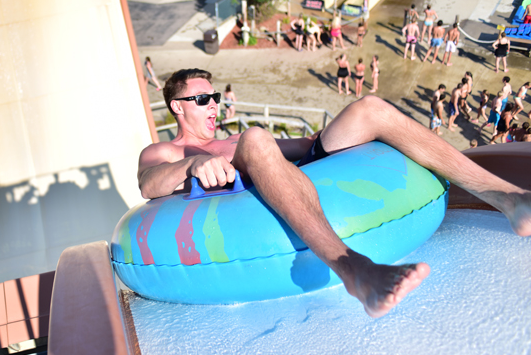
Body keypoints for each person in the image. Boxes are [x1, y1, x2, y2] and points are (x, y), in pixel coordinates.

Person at [138, 69, 531, 319]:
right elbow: (149, 182)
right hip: (243, 201)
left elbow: (306, 147)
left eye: (215, 98)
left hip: (288, 164)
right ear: (176, 106)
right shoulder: (170, 152)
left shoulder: (236, 138)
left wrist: (352, 130)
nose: (213, 106)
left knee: (369, 107)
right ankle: (355, 271)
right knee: (256, 138)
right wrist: (190, 166)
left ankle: (509, 197)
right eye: (202, 99)